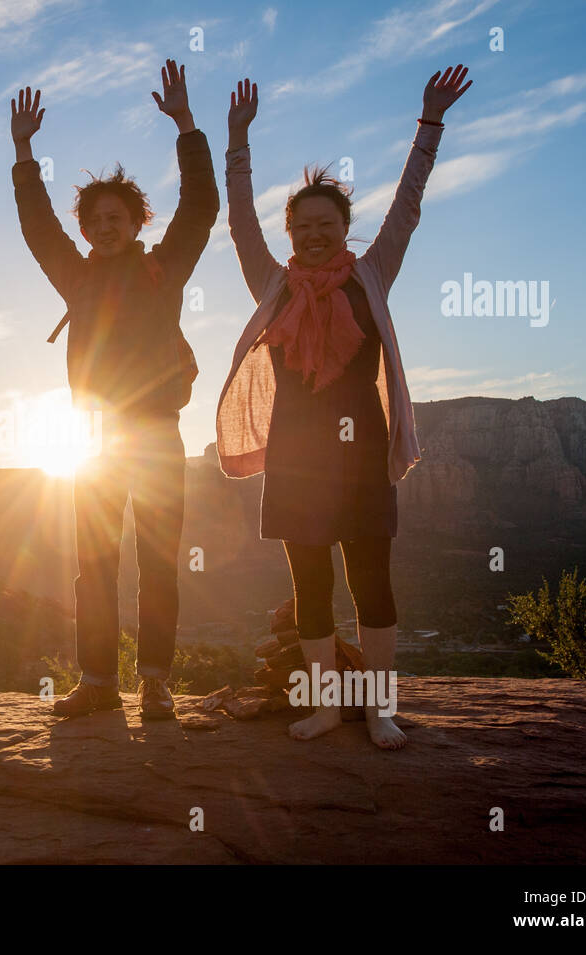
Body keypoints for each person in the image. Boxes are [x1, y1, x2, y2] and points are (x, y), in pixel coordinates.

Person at [215, 66, 472, 749]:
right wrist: (237, 140)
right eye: (303, 226)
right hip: (296, 455)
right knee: (310, 584)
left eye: (326, 225)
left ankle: (379, 707)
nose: (314, 236)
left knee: (371, 579)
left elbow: (409, 206)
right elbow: (238, 219)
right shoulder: (272, 282)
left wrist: (430, 124)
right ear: (291, 230)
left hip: (360, 453)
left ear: (346, 228)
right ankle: (328, 705)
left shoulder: (373, 272)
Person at [11, 59, 219, 719]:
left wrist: (186, 124)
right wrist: (22, 153)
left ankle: (154, 680)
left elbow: (202, 205)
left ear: (135, 220)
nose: (104, 224)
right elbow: (36, 227)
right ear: (86, 228)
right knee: (93, 566)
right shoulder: (76, 276)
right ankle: (98, 681)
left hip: (156, 433)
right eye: (94, 218)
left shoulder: (163, 269)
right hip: (94, 440)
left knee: (158, 564)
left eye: (116, 215)